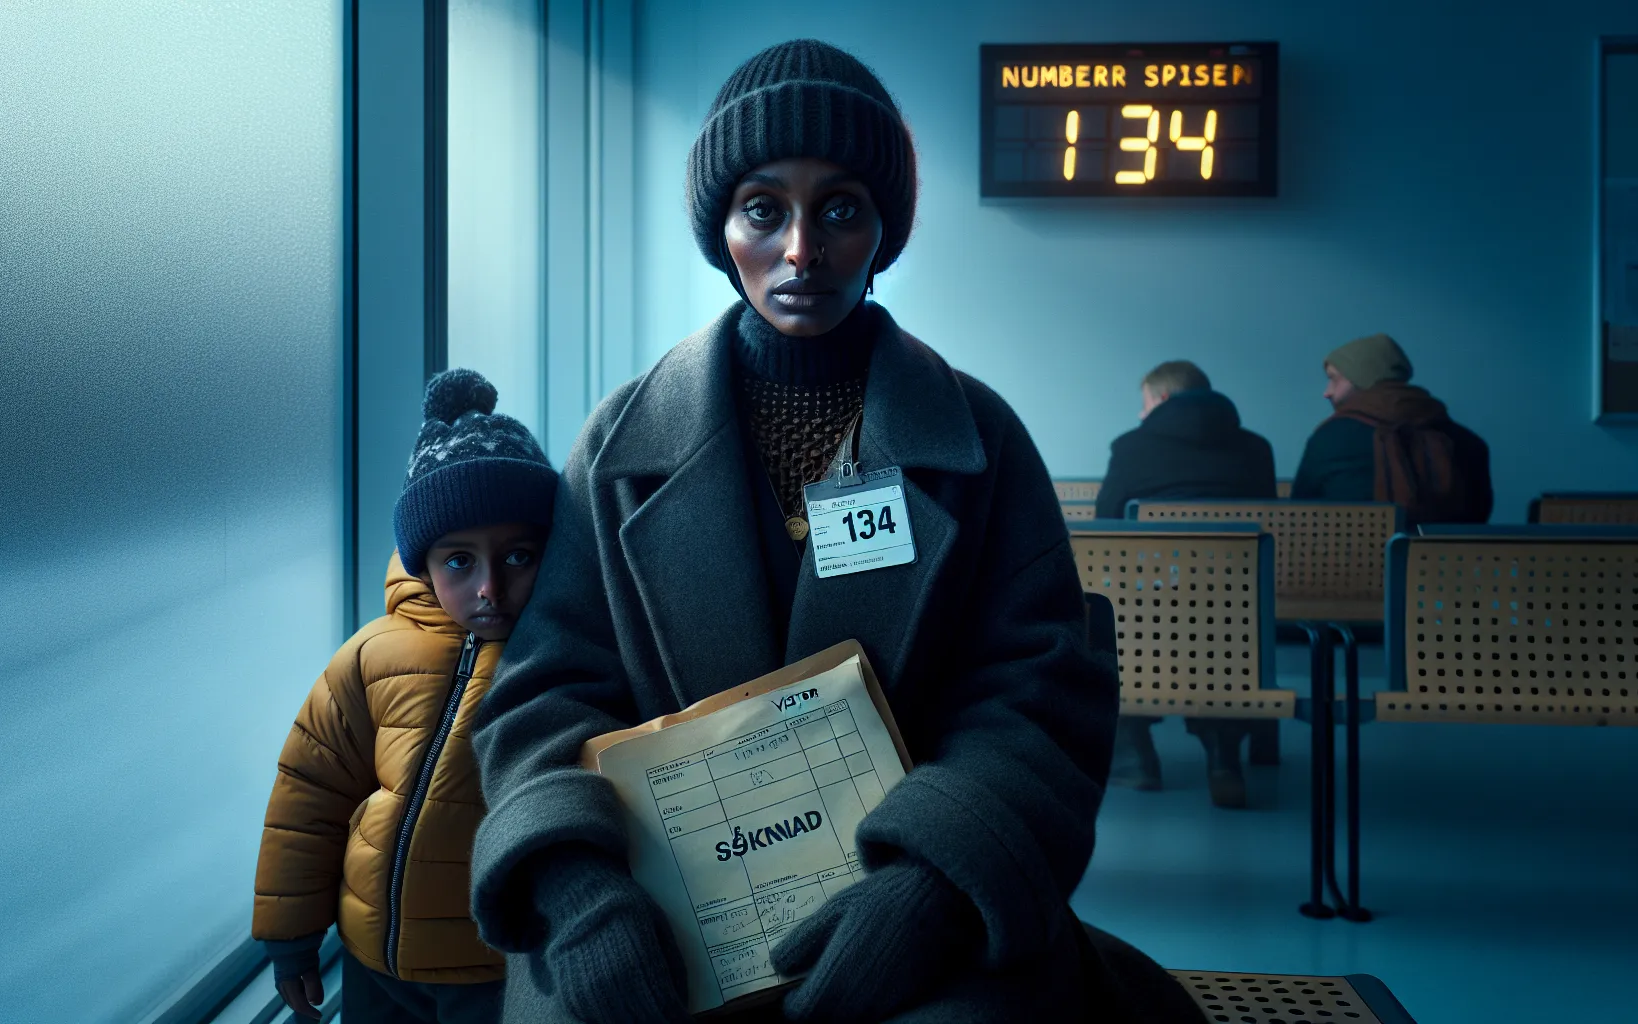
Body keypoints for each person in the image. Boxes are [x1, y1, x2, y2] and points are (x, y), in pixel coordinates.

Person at [466, 39, 1203, 1024]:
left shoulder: (977, 439)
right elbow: (549, 689)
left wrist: (931, 888)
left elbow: (1033, 694)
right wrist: (579, 892)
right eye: (763, 208)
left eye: (840, 209)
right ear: (720, 224)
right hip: (659, 902)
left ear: (882, 228)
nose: (801, 252)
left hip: (915, 893)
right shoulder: (616, 441)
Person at [251, 369, 557, 1024]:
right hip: (371, 961)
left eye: (517, 557)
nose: (488, 590)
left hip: (496, 970)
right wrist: (290, 935)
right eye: (459, 562)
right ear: (422, 561)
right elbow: (309, 794)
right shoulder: (372, 656)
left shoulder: (560, 660)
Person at [1096, 360, 1279, 809]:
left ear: (1160, 399)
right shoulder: (1257, 448)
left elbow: (1107, 522)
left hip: (1147, 608)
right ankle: (1222, 754)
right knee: (1219, 625)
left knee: (1101, 624)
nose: (1141, 416)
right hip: (1236, 606)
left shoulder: (1131, 446)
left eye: (1144, 405)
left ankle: (1133, 759)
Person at [1292, 333, 1493, 524]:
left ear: (1362, 377)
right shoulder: (1470, 442)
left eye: (1334, 379)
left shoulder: (1331, 438)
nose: (1327, 392)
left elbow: (1297, 517)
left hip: (1347, 559)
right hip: (1445, 560)